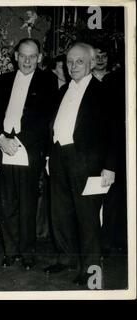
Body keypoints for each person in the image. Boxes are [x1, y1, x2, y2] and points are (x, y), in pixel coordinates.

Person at [44, 43, 116, 285]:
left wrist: (110, 167)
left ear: (92, 63)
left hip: (87, 162)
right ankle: (65, 259)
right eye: (70, 62)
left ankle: (90, 267)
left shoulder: (103, 92)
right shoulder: (62, 90)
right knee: (60, 213)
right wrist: (48, 156)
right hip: (58, 157)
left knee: (88, 217)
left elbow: (114, 133)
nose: (73, 66)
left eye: (79, 62)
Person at [0, 38, 58, 269]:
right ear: (15, 56)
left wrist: (20, 142)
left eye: (32, 56)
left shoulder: (48, 81)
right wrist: (2, 139)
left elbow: (46, 118)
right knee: (6, 204)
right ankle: (10, 252)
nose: (27, 60)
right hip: (3, 148)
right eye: (23, 55)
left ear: (39, 57)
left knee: (28, 204)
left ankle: (28, 253)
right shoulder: (2, 81)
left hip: (29, 150)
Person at [92, 45, 127, 255]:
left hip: (114, 148)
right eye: (97, 55)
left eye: (104, 55)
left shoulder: (116, 80)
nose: (101, 59)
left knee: (114, 199)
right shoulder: (82, 81)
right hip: (91, 149)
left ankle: (110, 242)